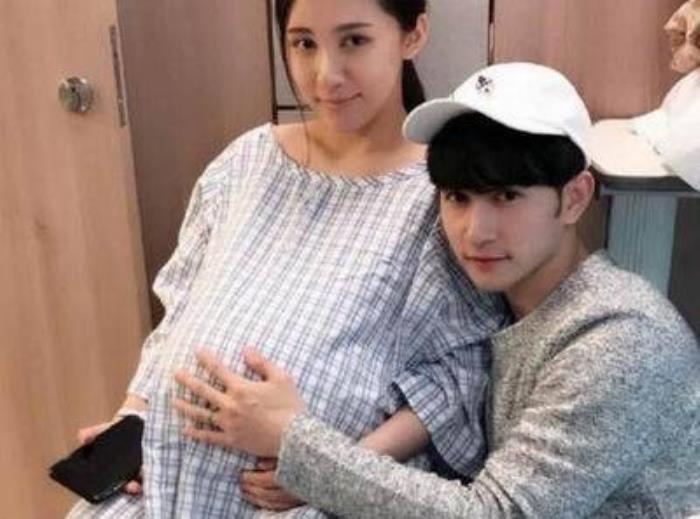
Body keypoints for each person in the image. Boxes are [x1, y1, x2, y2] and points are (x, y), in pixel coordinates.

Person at [175, 63, 700, 517]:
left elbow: (497, 513)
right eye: (457, 197)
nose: (475, 231)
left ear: (575, 197)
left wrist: (297, 444)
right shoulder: (500, 310)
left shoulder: (621, 338)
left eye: (506, 196)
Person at [67, 1, 507, 517]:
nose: (326, 74)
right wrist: (133, 418)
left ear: (412, 35)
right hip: (160, 479)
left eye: (354, 41)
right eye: (304, 44)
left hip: (305, 503)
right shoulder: (247, 160)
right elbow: (180, 306)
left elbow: (456, 375)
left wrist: (324, 468)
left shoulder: (444, 195)